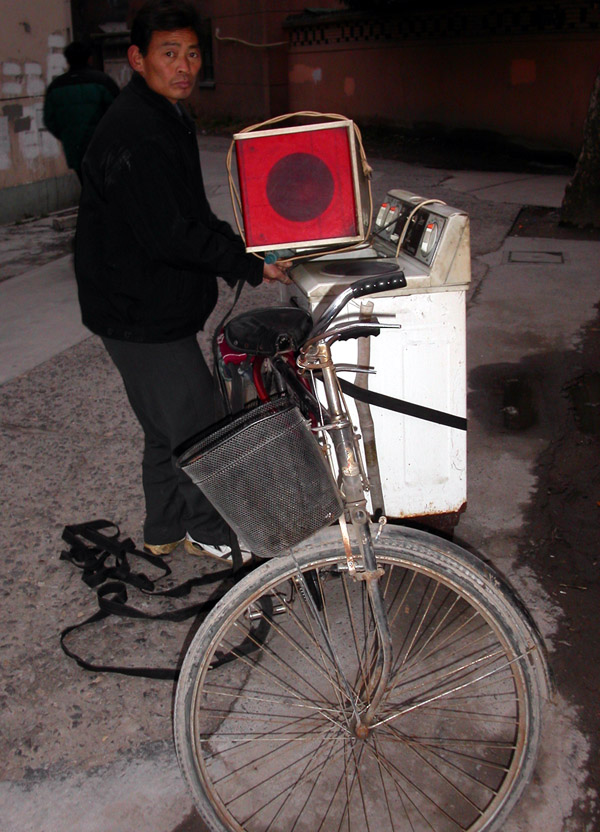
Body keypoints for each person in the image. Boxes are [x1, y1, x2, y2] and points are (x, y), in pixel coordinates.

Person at [74, 0, 290, 564]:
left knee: (163, 425)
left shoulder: (164, 115)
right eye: (169, 53)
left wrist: (244, 248)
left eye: (193, 53)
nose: (184, 66)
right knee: (199, 424)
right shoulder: (137, 130)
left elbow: (191, 213)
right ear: (137, 58)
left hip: (137, 304)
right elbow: (171, 234)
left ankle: (163, 528)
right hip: (137, 313)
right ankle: (209, 531)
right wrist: (244, 264)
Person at [43, 41, 119, 182]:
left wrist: (67, 134)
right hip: (103, 148)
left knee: (87, 187)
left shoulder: (56, 87)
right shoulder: (102, 82)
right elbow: (118, 113)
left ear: (68, 60)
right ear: (89, 58)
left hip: (74, 148)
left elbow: (49, 120)